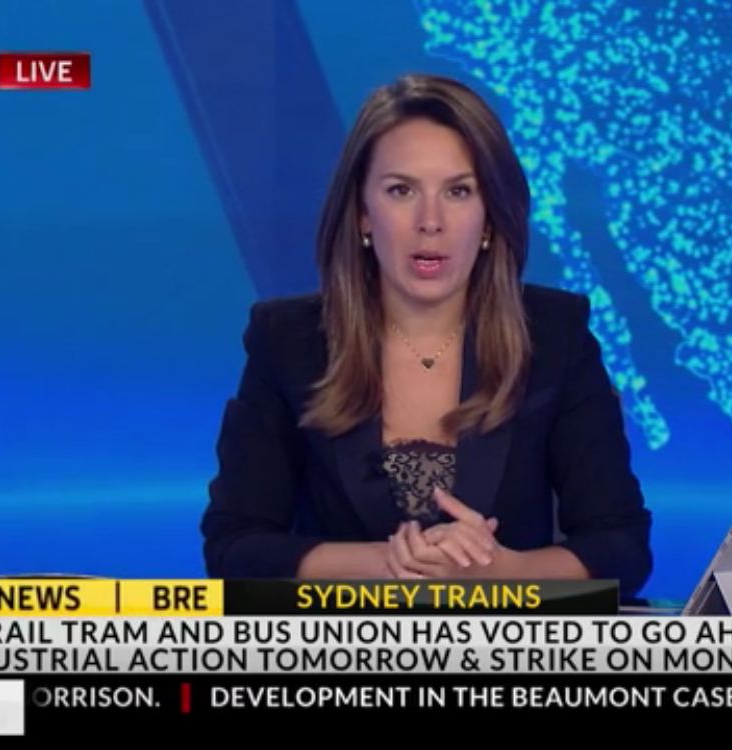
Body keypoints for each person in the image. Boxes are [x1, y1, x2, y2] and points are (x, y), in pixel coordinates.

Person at [202, 73, 651, 595]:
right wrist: (387, 563)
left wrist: (499, 574)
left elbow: (622, 548)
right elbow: (234, 548)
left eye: (459, 191)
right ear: (362, 213)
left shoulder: (556, 337)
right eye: (402, 190)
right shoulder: (288, 341)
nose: (430, 221)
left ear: (490, 218)